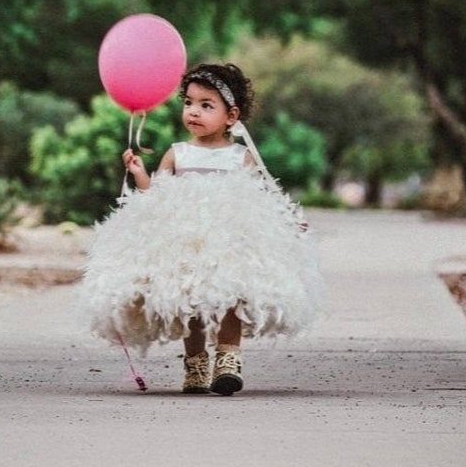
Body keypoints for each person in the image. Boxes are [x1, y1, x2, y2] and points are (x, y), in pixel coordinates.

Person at [79, 63, 324, 396]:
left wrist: (287, 221)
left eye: (206, 105)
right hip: (186, 241)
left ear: (231, 116)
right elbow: (157, 197)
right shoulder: (177, 154)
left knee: (231, 297)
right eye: (189, 103)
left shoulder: (241, 157)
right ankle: (195, 363)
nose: (194, 111)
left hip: (229, 242)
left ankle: (228, 359)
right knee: (190, 302)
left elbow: (264, 197)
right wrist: (139, 174)